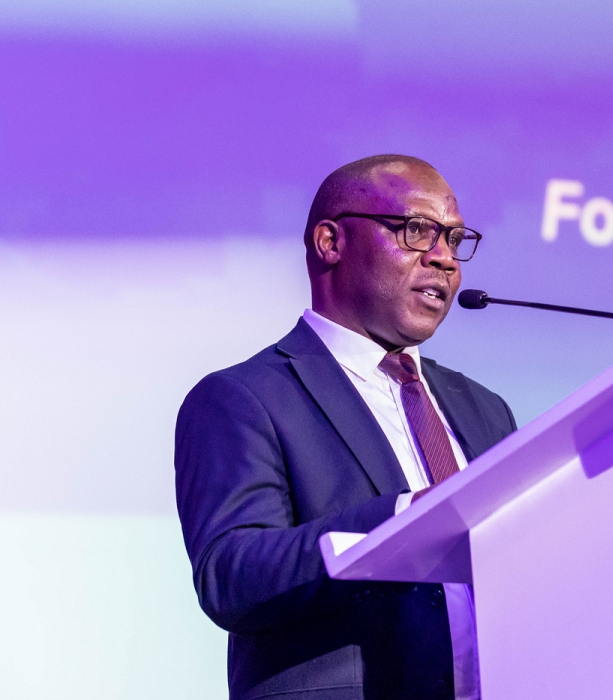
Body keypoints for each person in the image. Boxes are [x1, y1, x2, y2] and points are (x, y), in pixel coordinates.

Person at [175, 154, 518, 700]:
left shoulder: (485, 409)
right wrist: (405, 520)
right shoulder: (244, 399)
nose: (445, 260)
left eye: (454, 239)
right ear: (330, 242)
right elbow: (231, 575)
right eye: (417, 230)